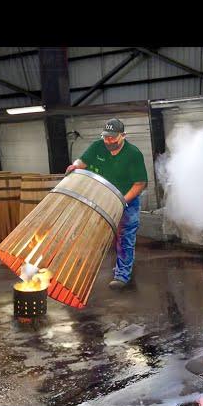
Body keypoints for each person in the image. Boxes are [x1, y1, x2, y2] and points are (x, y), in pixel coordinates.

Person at [65, 119, 148, 290]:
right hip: (101, 197)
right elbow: (82, 162)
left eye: (113, 138)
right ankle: (86, 270)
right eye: (106, 137)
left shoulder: (133, 154)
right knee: (97, 233)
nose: (109, 141)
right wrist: (74, 166)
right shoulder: (97, 146)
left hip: (127, 201)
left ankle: (122, 275)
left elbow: (140, 184)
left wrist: (122, 202)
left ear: (123, 136)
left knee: (125, 237)